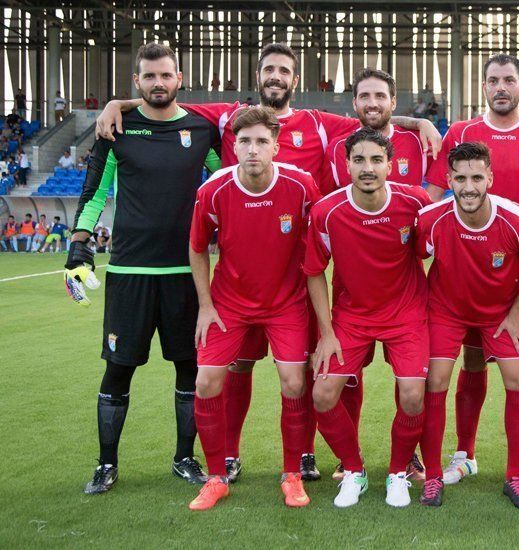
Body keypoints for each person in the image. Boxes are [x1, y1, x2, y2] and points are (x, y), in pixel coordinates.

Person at [94, 43, 442, 484]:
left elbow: (372, 119)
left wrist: (421, 120)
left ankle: (309, 457)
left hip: (298, 280)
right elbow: (165, 97)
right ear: (258, 76)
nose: (276, 76)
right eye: (269, 70)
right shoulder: (228, 116)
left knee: (312, 372)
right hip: (239, 277)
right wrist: (115, 103)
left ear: (295, 80)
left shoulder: (318, 123)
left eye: (284, 70)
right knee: (237, 366)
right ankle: (232, 456)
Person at [69, 43, 222, 495]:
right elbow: (95, 191)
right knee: (118, 370)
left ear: (180, 79)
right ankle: (107, 464)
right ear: (137, 83)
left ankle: (184, 459)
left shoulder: (201, 129)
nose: (159, 83)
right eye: (149, 77)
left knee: (189, 369)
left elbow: (224, 184)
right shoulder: (117, 128)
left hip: (185, 275)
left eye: (166, 76)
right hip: (129, 273)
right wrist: (79, 243)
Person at [424, 54, 519, 485]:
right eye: (492, 80)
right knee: (473, 360)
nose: (500, 87)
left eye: (508, 80)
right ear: (483, 87)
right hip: (468, 269)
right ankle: (464, 453)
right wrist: (417, 123)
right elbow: (432, 194)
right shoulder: (463, 132)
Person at [187, 107, 319, 511]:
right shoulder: (214, 189)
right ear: (234, 146)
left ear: (276, 147)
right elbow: (196, 248)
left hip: (287, 303)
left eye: (262, 141)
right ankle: (215, 477)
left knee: (294, 383)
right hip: (229, 303)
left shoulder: (301, 185)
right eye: (245, 141)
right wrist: (205, 305)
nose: (253, 149)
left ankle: (292, 474)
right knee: (207, 382)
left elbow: (317, 242)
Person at [416, 141, 519, 509]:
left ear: (490, 177)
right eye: (460, 178)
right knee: (435, 380)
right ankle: (431, 477)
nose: (469, 186)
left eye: (477, 177)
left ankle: (515, 477)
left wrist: (518, 311)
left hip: (500, 313)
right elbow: (414, 260)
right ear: (448, 179)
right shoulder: (431, 220)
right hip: (446, 310)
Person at [304, 128, 431, 508]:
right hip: (353, 316)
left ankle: (397, 472)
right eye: (359, 159)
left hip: (406, 313)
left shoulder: (415, 203)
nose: (368, 167)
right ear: (346, 164)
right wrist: (326, 333)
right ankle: (354, 471)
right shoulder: (327, 212)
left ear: (390, 165)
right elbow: (313, 270)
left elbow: (432, 248)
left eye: (376, 159)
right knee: (323, 394)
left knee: (412, 396)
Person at [319, 69, 430, 193]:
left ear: (393, 103)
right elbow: (327, 202)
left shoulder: (419, 141)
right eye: (364, 96)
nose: (372, 103)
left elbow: (440, 189)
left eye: (380, 96)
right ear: (355, 104)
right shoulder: (336, 148)